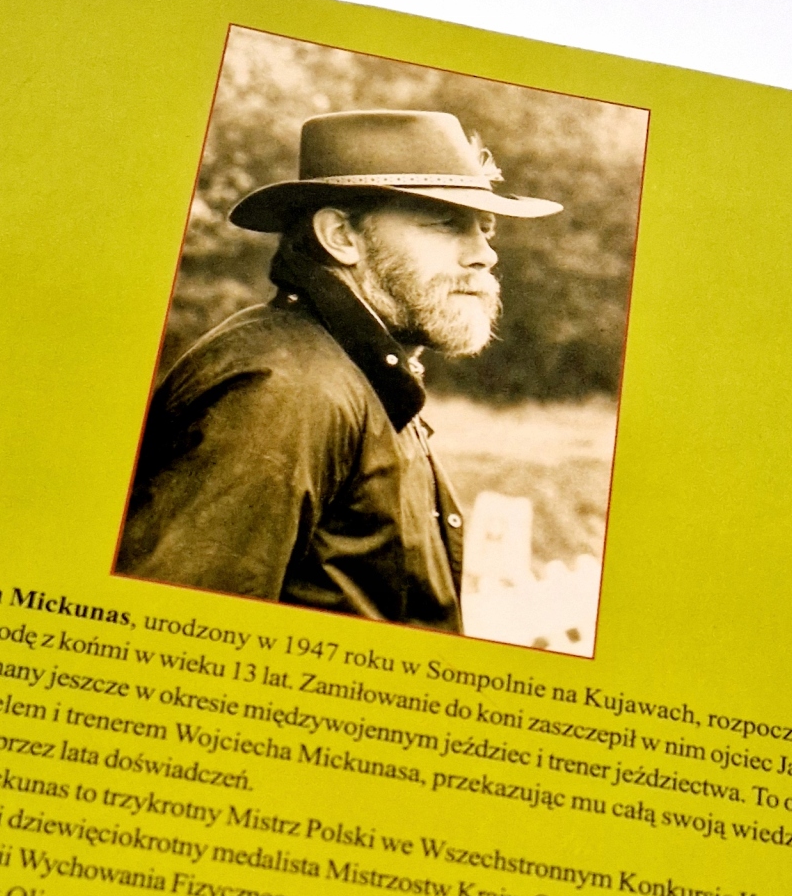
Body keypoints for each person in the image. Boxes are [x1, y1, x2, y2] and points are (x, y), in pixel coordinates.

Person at [114, 108, 561, 630]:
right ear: (341, 236)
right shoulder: (286, 388)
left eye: (486, 230)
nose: (484, 255)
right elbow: (171, 630)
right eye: (446, 223)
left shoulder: (361, 373)